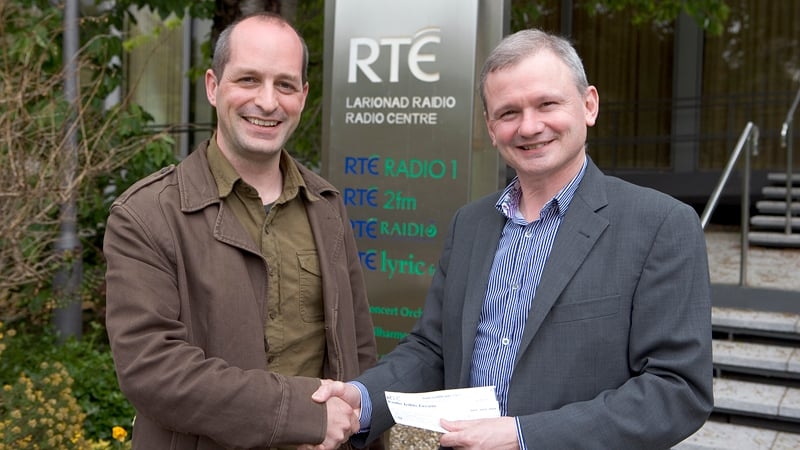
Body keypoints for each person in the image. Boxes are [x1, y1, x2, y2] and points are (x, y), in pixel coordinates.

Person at [311, 28, 713, 449]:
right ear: (490, 127)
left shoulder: (660, 225)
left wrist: (523, 437)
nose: (529, 126)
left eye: (547, 104)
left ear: (589, 105)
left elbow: (677, 390)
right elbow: (434, 349)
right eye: (508, 113)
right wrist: (362, 400)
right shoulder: (471, 224)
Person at [104, 12, 380, 450]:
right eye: (248, 80)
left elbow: (359, 351)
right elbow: (152, 368)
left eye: (285, 84)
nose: (268, 102)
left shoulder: (326, 207)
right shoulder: (147, 214)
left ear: (303, 96)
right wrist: (302, 416)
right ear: (214, 87)